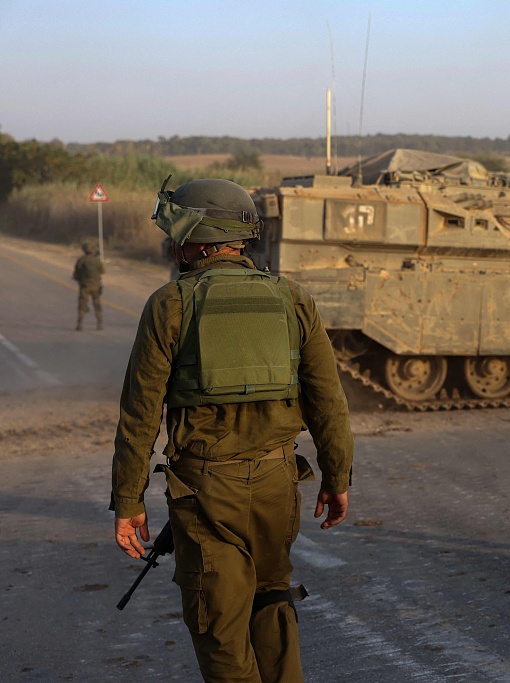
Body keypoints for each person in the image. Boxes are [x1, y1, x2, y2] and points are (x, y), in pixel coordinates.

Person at [111, 177, 355, 681]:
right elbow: (329, 402)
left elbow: (141, 415)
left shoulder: (170, 304)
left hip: (206, 492)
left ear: (197, 235)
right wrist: (337, 477)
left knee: (220, 629)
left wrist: (129, 500)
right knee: (273, 605)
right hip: (277, 485)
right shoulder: (293, 298)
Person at [72, 239, 104, 330]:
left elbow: (76, 274)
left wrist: (80, 279)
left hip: (85, 286)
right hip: (96, 286)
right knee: (97, 305)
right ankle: (100, 323)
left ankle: (80, 324)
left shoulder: (81, 260)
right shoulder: (97, 260)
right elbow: (102, 271)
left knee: (82, 305)